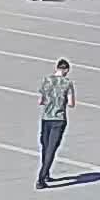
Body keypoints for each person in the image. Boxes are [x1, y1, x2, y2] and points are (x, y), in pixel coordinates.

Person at [37, 58, 75, 188]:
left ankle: (45, 173)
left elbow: (40, 101)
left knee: (45, 146)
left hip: (46, 118)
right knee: (52, 149)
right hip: (59, 119)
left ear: (56, 68)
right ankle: (41, 178)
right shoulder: (67, 83)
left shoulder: (47, 80)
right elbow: (71, 104)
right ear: (66, 70)